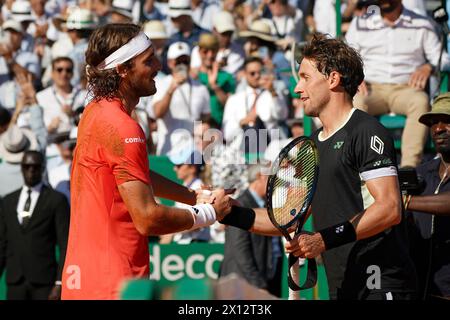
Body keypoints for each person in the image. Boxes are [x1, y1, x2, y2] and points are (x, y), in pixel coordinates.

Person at [207, 34, 418, 300]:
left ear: (333, 79)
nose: (297, 88)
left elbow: (389, 208)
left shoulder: (366, 131)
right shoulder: (311, 147)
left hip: (380, 283)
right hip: (342, 284)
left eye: (305, 77)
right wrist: (230, 213)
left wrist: (323, 239)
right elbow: (287, 220)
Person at [61, 24, 232, 300]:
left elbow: (136, 175)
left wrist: (193, 196)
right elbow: (147, 219)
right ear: (122, 70)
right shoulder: (123, 128)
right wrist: (209, 214)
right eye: (148, 60)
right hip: (114, 285)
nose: (158, 65)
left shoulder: (93, 113)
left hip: (83, 279)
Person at [345, 0, 444, 168]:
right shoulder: (361, 23)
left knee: (420, 101)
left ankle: (409, 168)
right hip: (370, 88)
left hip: (405, 88)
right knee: (354, 103)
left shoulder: (421, 24)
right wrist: (355, 76)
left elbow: (443, 59)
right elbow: (346, 56)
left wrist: (429, 67)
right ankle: (358, 166)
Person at [0, 150, 70, 300]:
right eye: (27, 166)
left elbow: (65, 244)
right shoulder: (8, 202)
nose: (31, 170)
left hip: (44, 282)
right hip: (15, 282)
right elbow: (2, 244)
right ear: (21, 168)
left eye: (35, 167)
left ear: (43, 168)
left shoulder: (56, 200)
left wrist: (59, 283)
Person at [405, 93, 450, 300]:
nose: (439, 128)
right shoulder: (422, 173)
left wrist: (405, 202)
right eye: (433, 123)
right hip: (423, 290)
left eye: (447, 121)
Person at [220, 164, 283, 297]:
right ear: (260, 176)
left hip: (263, 281)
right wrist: (259, 285)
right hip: (243, 286)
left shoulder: (266, 205)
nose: (276, 181)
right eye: (271, 177)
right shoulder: (240, 205)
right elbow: (240, 250)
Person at [152, 41, 211, 155]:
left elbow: (206, 117)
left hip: (193, 150)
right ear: (170, 63)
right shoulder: (161, 84)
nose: (182, 65)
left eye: (185, 61)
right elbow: (157, 113)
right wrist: (171, 89)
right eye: (178, 61)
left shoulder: (201, 87)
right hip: (169, 149)